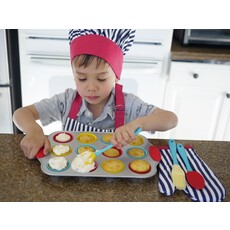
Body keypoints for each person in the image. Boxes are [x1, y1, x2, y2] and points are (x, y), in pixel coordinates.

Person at [13, 29, 178, 159]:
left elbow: (170, 119)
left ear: (116, 76)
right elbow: (21, 113)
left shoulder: (128, 105)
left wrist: (139, 123)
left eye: (101, 78)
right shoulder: (66, 101)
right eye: (82, 78)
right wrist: (34, 130)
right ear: (73, 75)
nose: (91, 87)